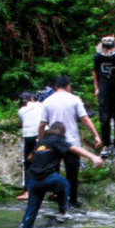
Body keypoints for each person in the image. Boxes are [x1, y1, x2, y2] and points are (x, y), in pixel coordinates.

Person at [20, 122, 103, 228]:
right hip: (48, 177)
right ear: (63, 132)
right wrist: (93, 156)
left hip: (33, 180)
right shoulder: (57, 140)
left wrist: (42, 155)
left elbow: (30, 157)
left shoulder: (40, 142)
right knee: (64, 184)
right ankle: (62, 212)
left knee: (31, 209)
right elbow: (74, 148)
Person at [38, 75, 102, 209]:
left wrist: (40, 140)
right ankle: (73, 200)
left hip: (53, 143)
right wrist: (96, 135)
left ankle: (57, 195)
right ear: (68, 86)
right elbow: (85, 119)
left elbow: (42, 124)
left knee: (53, 171)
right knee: (72, 173)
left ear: (56, 87)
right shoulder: (75, 100)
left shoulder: (47, 101)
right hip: (71, 143)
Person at [17, 91, 43, 200]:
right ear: (32, 99)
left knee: (28, 162)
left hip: (28, 137)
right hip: (41, 135)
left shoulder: (21, 111)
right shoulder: (40, 105)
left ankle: (27, 191)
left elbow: (21, 124)